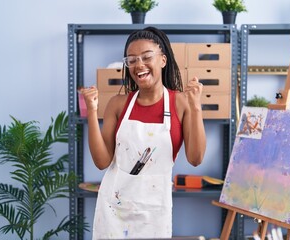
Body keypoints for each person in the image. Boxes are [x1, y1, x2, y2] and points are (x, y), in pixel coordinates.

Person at [81, 26, 206, 239]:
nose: (139, 64)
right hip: (114, 209)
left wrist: (196, 108)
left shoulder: (181, 103)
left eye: (146, 57)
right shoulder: (118, 104)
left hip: (154, 210)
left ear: (163, 60)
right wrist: (92, 111)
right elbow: (102, 162)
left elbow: (195, 158)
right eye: (131, 60)